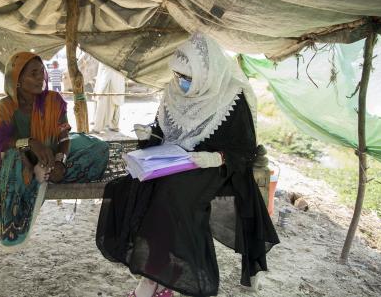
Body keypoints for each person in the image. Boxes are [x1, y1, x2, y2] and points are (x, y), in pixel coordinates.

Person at [96, 33, 279, 297]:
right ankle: (160, 276)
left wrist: (217, 158)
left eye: (187, 78)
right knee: (130, 185)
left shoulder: (231, 96)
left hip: (217, 166)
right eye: (178, 76)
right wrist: (150, 135)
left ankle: (155, 280)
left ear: (207, 73)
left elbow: (245, 150)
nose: (181, 83)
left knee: (172, 196)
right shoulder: (173, 91)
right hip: (175, 160)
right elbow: (163, 131)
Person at [0, 51, 109, 248]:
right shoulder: (5, 107)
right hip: (24, 162)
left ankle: (45, 174)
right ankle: (34, 182)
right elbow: (3, 143)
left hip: (52, 155)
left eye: (41, 72)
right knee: (13, 158)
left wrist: (60, 162)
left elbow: (64, 137)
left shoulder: (54, 100)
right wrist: (30, 143)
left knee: (100, 150)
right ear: (17, 81)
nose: (41, 78)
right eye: (33, 74)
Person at [91, 63, 125, 133]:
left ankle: (98, 128)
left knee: (103, 103)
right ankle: (113, 126)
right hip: (114, 78)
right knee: (115, 103)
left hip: (108, 78)